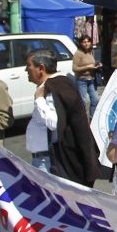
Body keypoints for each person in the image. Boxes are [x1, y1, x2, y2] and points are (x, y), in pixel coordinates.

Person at [28, 48, 99, 186]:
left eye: (29, 66)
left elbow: (53, 122)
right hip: (47, 158)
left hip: (51, 161)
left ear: (41, 68)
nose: (26, 71)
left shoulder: (52, 88)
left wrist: (39, 100)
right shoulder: (58, 84)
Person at [73, 35, 101, 115]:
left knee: (95, 99)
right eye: (84, 42)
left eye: (88, 42)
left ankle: (92, 118)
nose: (86, 44)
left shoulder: (91, 52)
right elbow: (74, 68)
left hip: (91, 79)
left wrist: (97, 65)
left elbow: (91, 63)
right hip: (82, 80)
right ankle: (81, 120)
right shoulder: (78, 53)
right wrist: (87, 67)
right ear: (81, 43)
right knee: (82, 102)